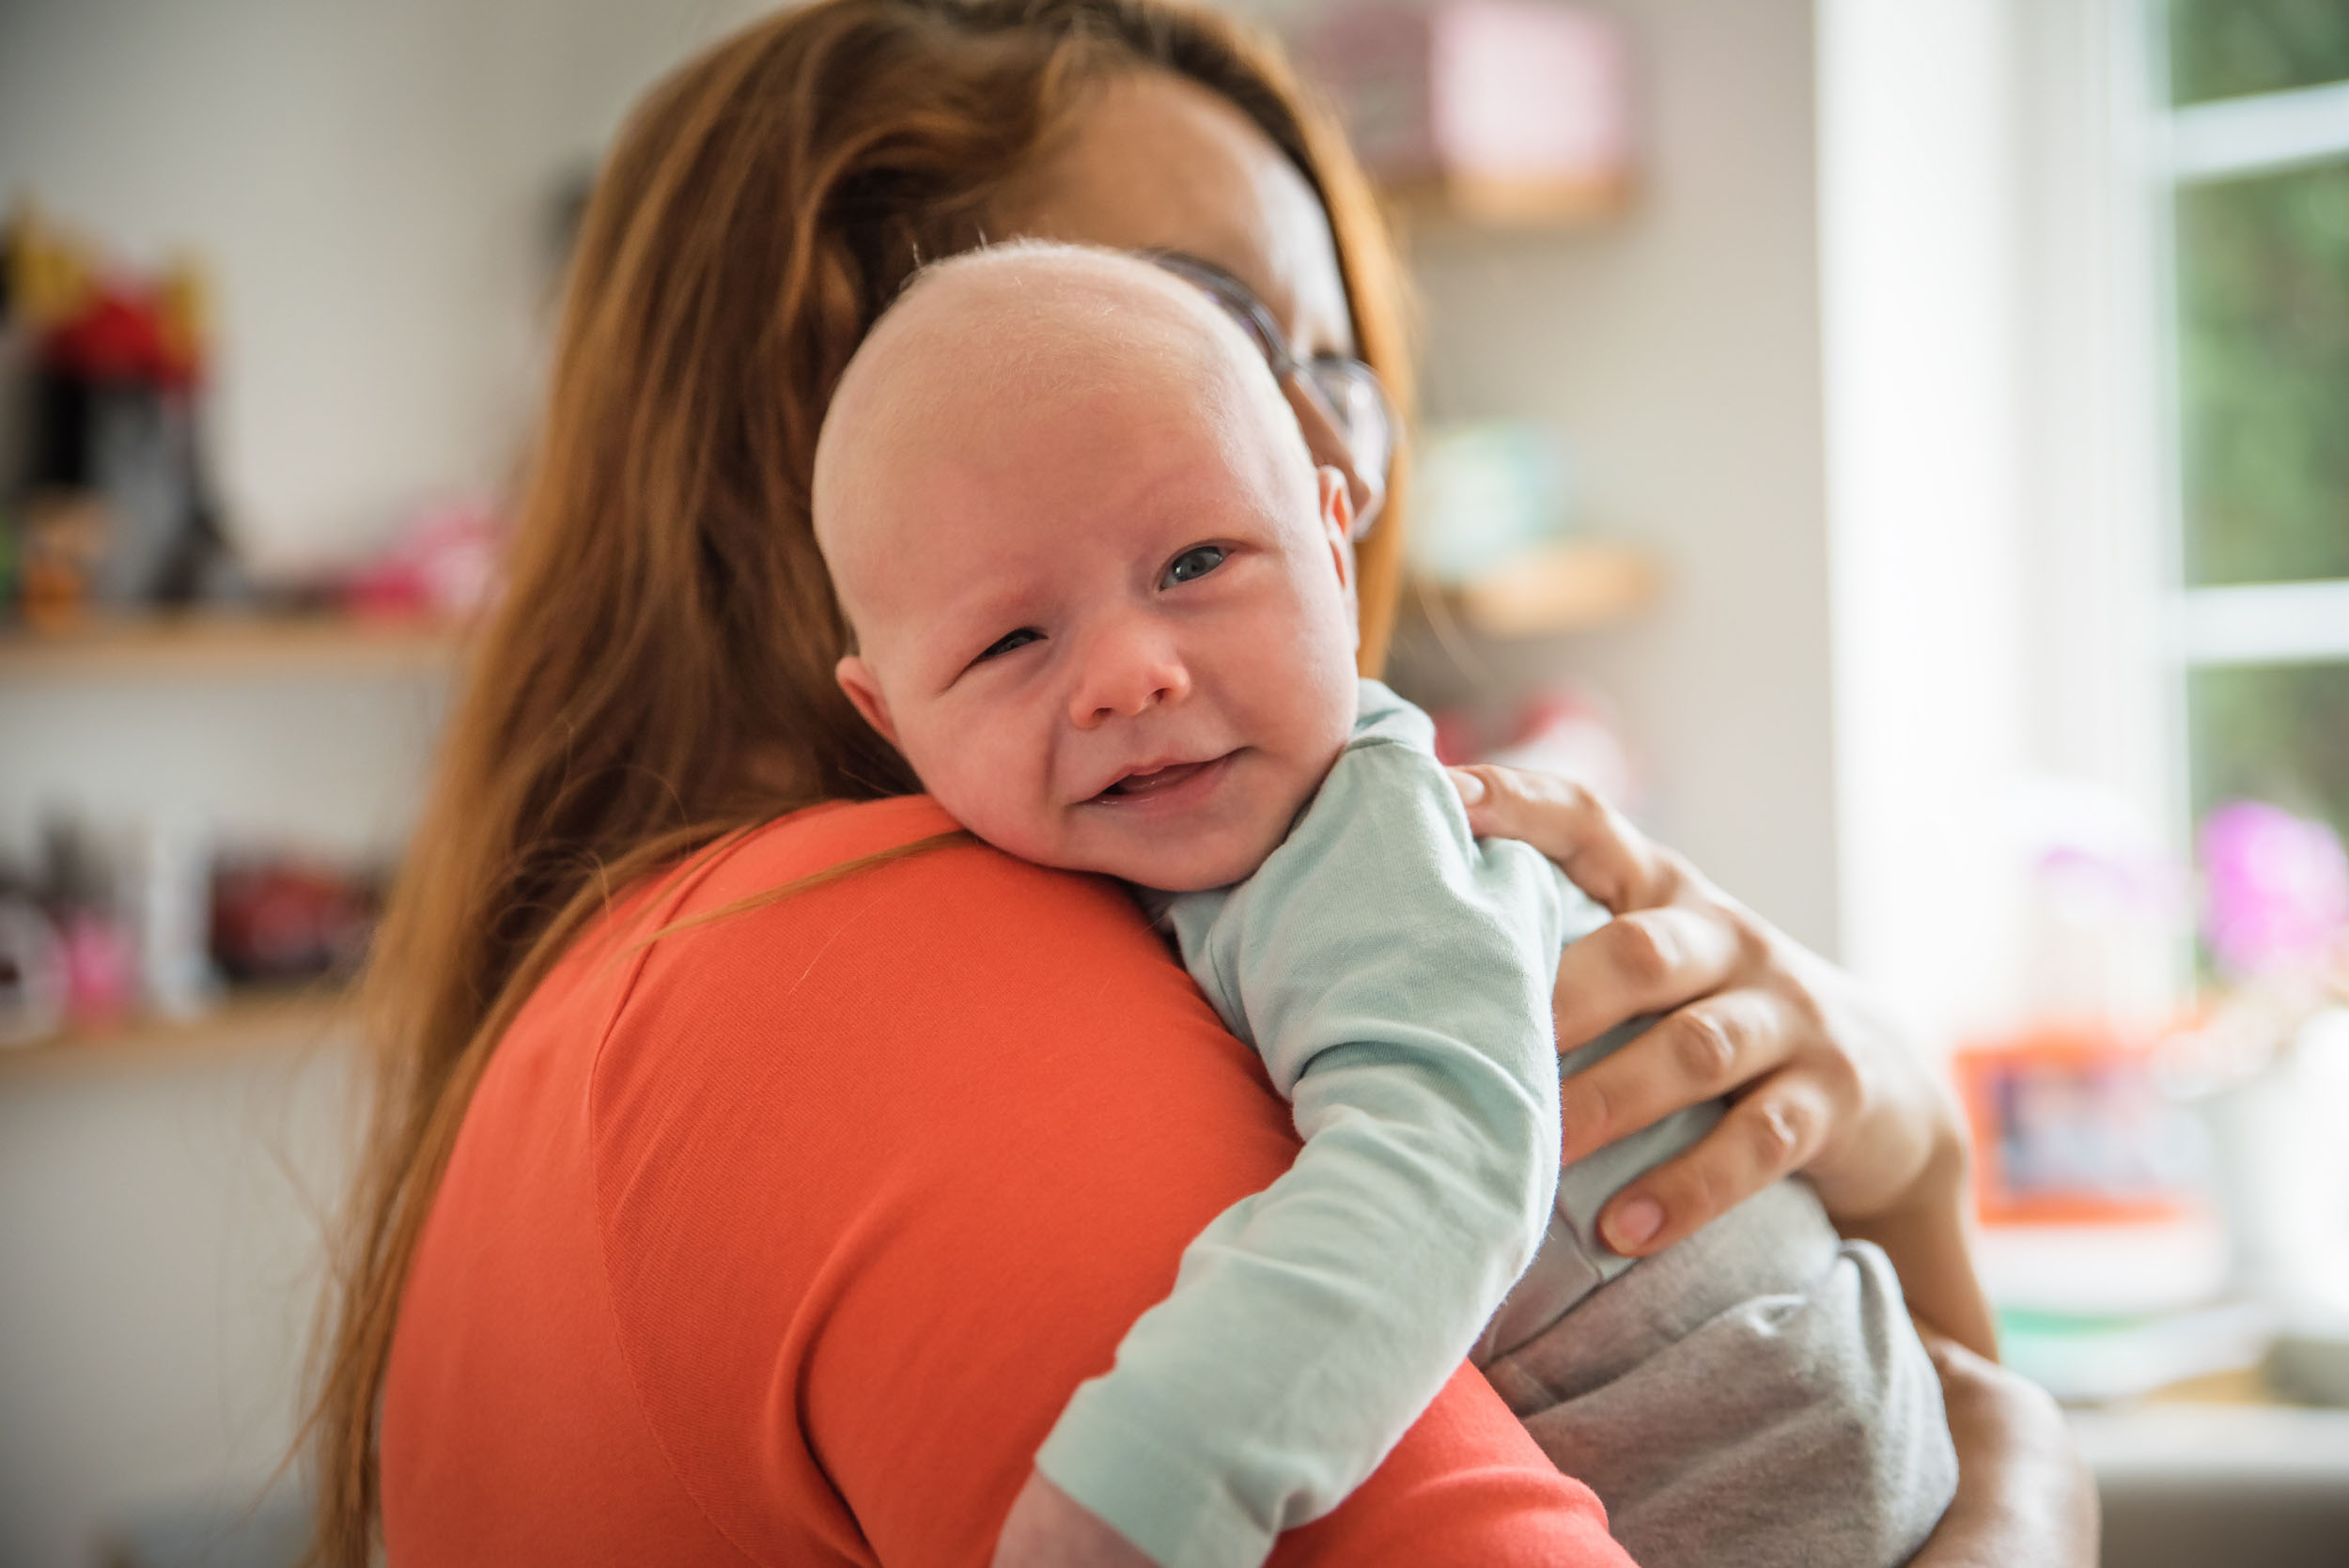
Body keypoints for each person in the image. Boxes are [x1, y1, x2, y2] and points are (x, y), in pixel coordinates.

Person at [303, 2, 2096, 1564]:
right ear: (810, 431)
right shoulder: (889, 975)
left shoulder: (614, 998)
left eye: (1332, 371)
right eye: (1207, 321)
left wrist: (1914, 1158)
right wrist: (2030, 1493)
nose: (1331, 452)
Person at [813, 240, 1960, 1568]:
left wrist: (1143, 1490)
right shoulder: (1037, 895)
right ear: (890, 718)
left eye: (1197, 562)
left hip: (1771, 1443)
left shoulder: (1363, 829)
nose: (1131, 674)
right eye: (1012, 640)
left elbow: (1443, 1156)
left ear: (1332, 541)